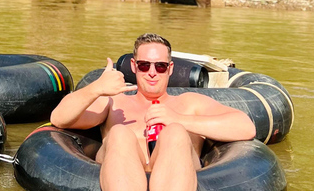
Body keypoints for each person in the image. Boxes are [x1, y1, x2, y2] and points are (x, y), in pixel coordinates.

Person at [50, 33, 255, 191]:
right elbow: (59, 118)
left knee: (174, 132)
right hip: (120, 173)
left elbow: (244, 126)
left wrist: (179, 120)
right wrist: (95, 89)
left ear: (170, 68)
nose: (152, 72)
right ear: (134, 66)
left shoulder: (189, 103)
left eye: (160, 66)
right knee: (120, 133)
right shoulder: (113, 103)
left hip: (176, 173)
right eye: (144, 65)